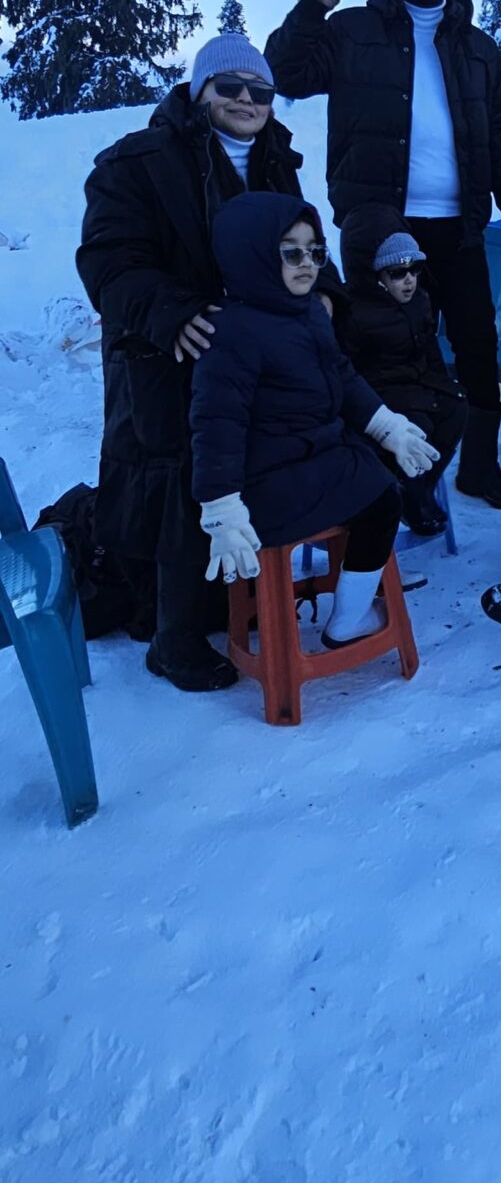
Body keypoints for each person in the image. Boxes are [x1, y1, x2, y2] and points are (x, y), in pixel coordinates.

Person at [76, 36, 315, 692]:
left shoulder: (276, 162)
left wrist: (325, 303)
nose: (245, 100)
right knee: (186, 473)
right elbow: (108, 262)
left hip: (251, 351)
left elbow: (301, 249)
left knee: (251, 462)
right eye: (229, 87)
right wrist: (170, 314)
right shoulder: (137, 161)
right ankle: (174, 638)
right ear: (197, 91)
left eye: (258, 91)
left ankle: (229, 599)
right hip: (166, 353)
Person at [264, 0, 501, 510]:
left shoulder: (479, 48)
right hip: (379, 220)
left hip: (457, 221)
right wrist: (313, 7)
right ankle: (397, 475)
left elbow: (496, 136)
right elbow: (286, 74)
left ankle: (479, 469)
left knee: (475, 341)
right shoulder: (353, 29)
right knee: (386, 348)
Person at [190, 195, 438, 647]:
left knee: (376, 473)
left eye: (315, 252)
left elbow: (341, 376)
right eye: (291, 252)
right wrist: (221, 508)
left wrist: (387, 426)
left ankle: (352, 600)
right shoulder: (233, 334)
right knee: (383, 500)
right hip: (267, 485)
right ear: (252, 255)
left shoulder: (304, 312)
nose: (307, 263)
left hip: (311, 458)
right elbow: (216, 427)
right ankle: (349, 621)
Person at [335, 207, 468, 533]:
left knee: (457, 409)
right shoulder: (354, 312)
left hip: (418, 382)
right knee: (417, 424)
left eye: (414, 269)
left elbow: (430, 350)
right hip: (380, 393)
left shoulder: (420, 301)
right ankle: (406, 491)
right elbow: (347, 369)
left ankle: (418, 486)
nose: (408, 279)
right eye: (396, 272)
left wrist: (444, 383)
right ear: (375, 275)